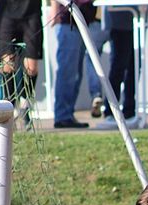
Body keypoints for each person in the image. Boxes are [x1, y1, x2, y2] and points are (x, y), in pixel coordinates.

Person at [0, 0, 43, 127]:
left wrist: (54, 7)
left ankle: (24, 104)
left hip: (31, 13)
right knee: (7, 65)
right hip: (7, 14)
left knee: (31, 68)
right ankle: (10, 108)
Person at [96, 9, 145, 129]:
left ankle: (130, 111)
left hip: (139, 20)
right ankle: (111, 111)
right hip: (119, 23)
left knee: (134, 67)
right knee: (118, 68)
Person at [50, 0, 96, 128]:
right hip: (68, 20)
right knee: (67, 72)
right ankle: (63, 116)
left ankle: (67, 114)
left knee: (76, 74)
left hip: (82, 20)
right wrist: (54, 10)